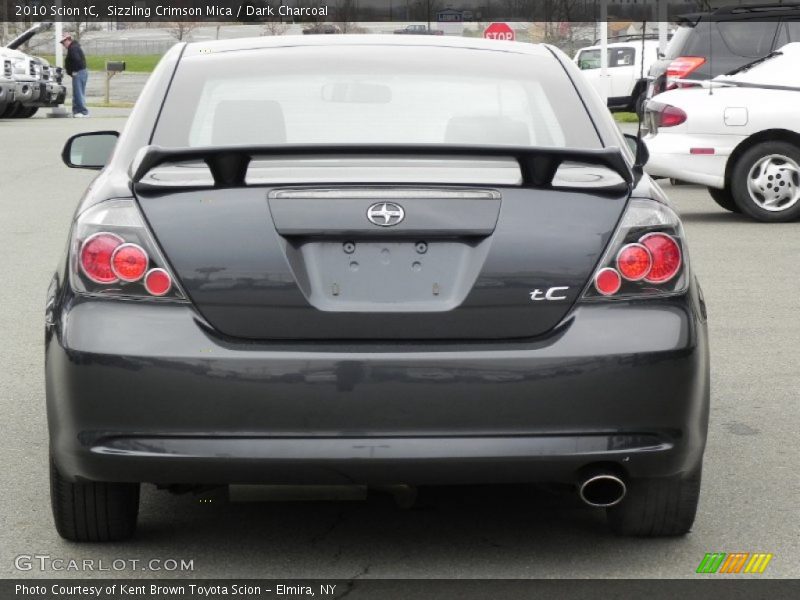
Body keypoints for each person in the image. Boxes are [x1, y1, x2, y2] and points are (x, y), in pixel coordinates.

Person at [61, 34, 89, 118]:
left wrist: (74, 71)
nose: (63, 44)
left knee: (78, 92)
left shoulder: (73, 48)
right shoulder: (74, 47)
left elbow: (77, 60)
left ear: (68, 40)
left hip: (78, 72)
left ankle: (83, 111)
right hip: (80, 72)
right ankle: (76, 111)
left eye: (63, 42)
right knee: (77, 92)